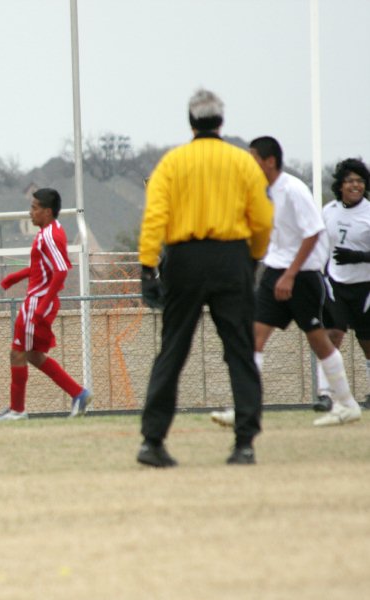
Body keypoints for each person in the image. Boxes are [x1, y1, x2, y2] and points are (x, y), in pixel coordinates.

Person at [137, 89, 274, 467]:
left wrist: (148, 265)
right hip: (232, 257)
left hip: (184, 259)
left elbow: (155, 218)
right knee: (240, 351)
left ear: (191, 121)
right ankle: (244, 443)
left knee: (173, 348)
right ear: (221, 121)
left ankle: (152, 441)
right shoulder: (242, 162)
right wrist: (254, 257)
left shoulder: (173, 162)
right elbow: (262, 218)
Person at [210, 137, 361, 430]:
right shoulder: (261, 191)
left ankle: (347, 404)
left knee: (318, 339)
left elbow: (313, 233)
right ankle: (245, 408)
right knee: (254, 338)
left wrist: (291, 274)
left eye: (252, 158)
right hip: (274, 271)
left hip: (302, 275)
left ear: (268, 161)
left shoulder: (293, 189)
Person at [0, 188, 91, 421]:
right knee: (34, 356)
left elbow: (62, 270)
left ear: (47, 211)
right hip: (40, 300)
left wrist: (40, 306)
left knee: (17, 353)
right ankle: (79, 394)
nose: (30, 213)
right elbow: (45, 267)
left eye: (34, 208)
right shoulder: (53, 231)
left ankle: (17, 410)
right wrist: (16, 277)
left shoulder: (49, 235)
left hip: (37, 301)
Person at [313, 158, 370, 417]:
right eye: (350, 180)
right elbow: (321, 245)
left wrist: (359, 257)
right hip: (336, 284)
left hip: (365, 288)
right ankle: (326, 394)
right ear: (340, 185)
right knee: (332, 335)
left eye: (359, 180)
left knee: (367, 341)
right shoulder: (329, 211)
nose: (355, 185)